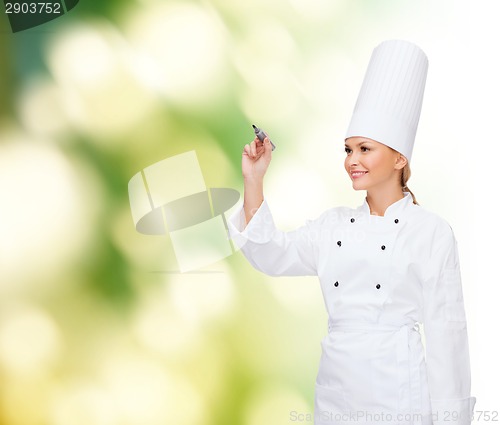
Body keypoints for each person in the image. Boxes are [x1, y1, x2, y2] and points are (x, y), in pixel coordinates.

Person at [227, 40, 476, 425]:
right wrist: (254, 178)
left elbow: (448, 335)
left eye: (364, 149)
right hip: (337, 396)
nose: (352, 161)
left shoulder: (431, 233)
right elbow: (269, 254)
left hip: (401, 398)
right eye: (348, 150)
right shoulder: (333, 226)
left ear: (399, 158)